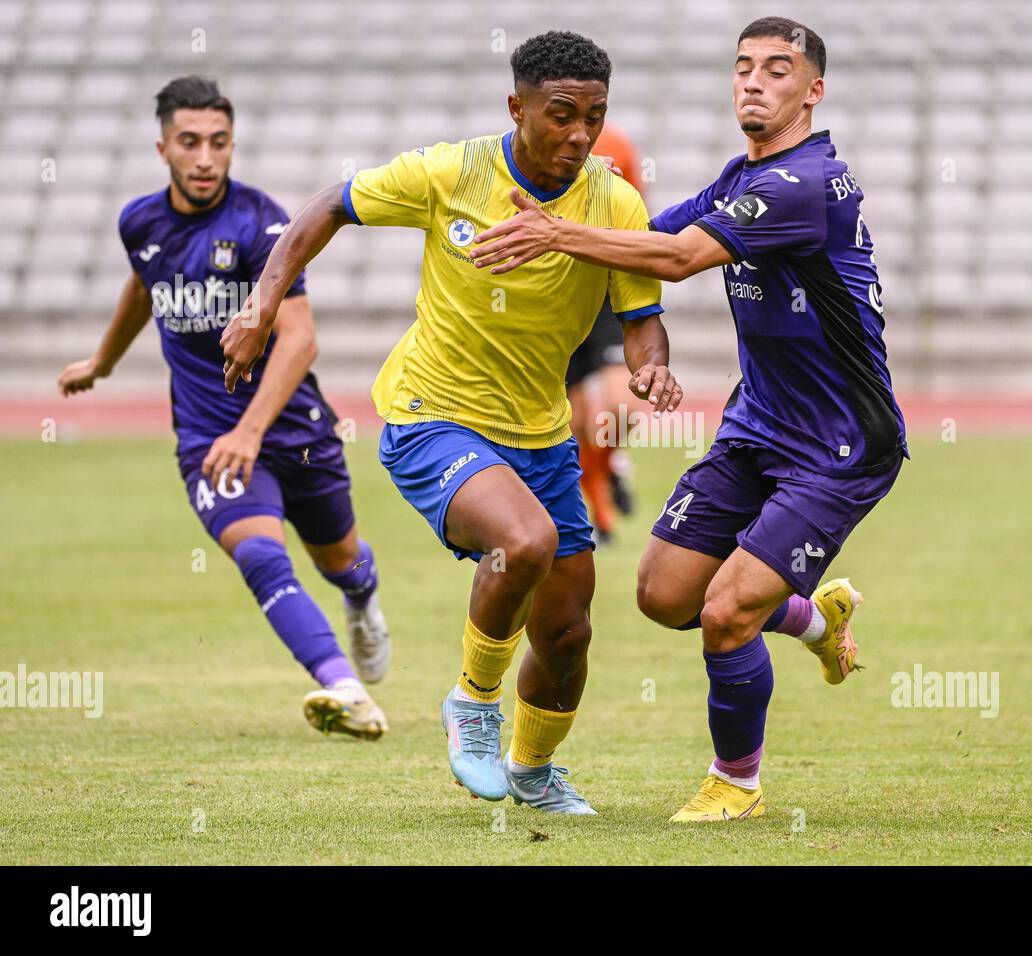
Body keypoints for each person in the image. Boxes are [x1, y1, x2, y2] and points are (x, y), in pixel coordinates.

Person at [219, 33, 680, 815]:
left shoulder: (615, 200)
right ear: (518, 108)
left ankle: (532, 772)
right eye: (561, 115)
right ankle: (471, 702)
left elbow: (642, 314)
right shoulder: (450, 171)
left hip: (541, 436)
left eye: (594, 117)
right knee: (523, 542)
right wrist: (264, 301)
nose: (579, 134)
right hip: (433, 416)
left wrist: (651, 362)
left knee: (567, 635)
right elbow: (330, 206)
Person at [469, 16, 908, 821]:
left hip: (840, 444)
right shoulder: (742, 176)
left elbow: (675, 259)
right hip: (759, 426)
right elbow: (650, 234)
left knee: (725, 613)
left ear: (813, 92)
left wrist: (555, 232)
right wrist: (550, 213)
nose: (753, 81)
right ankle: (817, 615)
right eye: (743, 66)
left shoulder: (801, 185)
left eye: (778, 71)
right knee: (665, 594)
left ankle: (735, 784)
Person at [58, 76, 391, 740]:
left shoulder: (263, 225)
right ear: (163, 149)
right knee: (263, 558)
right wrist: (104, 361)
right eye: (190, 143)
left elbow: (300, 339)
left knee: (341, 559)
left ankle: (361, 598)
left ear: (232, 145)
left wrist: (250, 427)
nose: (205, 157)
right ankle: (344, 689)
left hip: (291, 429)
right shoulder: (140, 222)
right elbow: (143, 286)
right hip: (211, 440)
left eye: (218, 142)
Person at [566, 123, 646, 541]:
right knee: (573, 420)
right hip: (556, 291)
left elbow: (635, 212)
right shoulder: (533, 140)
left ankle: (610, 462)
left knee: (624, 408)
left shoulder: (618, 144)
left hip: (606, 290)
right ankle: (600, 512)